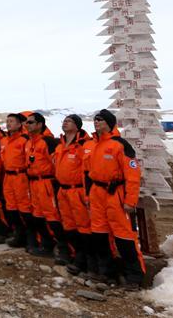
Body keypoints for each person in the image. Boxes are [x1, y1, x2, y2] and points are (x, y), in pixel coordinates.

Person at [85, 109, 145, 289]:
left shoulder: (120, 145)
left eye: (101, 120)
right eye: (95, 119)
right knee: (99, 234)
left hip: (115, 194)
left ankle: (134, 276)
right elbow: (88, 173)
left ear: (110, 123)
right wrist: (88, 195)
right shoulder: (94, 145)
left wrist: (130, 201)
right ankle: (107, 272)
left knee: (124, 235)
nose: (97, 122)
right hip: (97, 193)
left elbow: (133, 175)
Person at [54, 114, 92, 275]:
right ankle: (75, 253)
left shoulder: (83, 145)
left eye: (68, 121)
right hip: (63, 190)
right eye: (64, 121)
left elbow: (88, 170)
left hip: (77, 190)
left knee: (83, 224)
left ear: (77, 125)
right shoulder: (60, 145)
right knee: (69, 225)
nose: (65, 123)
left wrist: (88, 193)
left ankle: (85, 258)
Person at [25, 112, 65, 260]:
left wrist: (56, 184)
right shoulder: (29, 143)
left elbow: (57, 164)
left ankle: (64, 250)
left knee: (52, 216)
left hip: (46, 183)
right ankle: (47, 246)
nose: (27, 125)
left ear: (39, 125)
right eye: (26, 123)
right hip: (33, 183)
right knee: (38, 216)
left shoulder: (48, 142)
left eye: (30, 122)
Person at [2, 112, 33, 251]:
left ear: (20, 124)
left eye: (12, 121)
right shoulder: (4, 140)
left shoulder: (24, 140)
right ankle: (18, 235)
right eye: (7, 121)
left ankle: (30, 238)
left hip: (20, 176)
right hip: (8, 177)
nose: (8, 123)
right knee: (11, 208)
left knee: (24, 208)